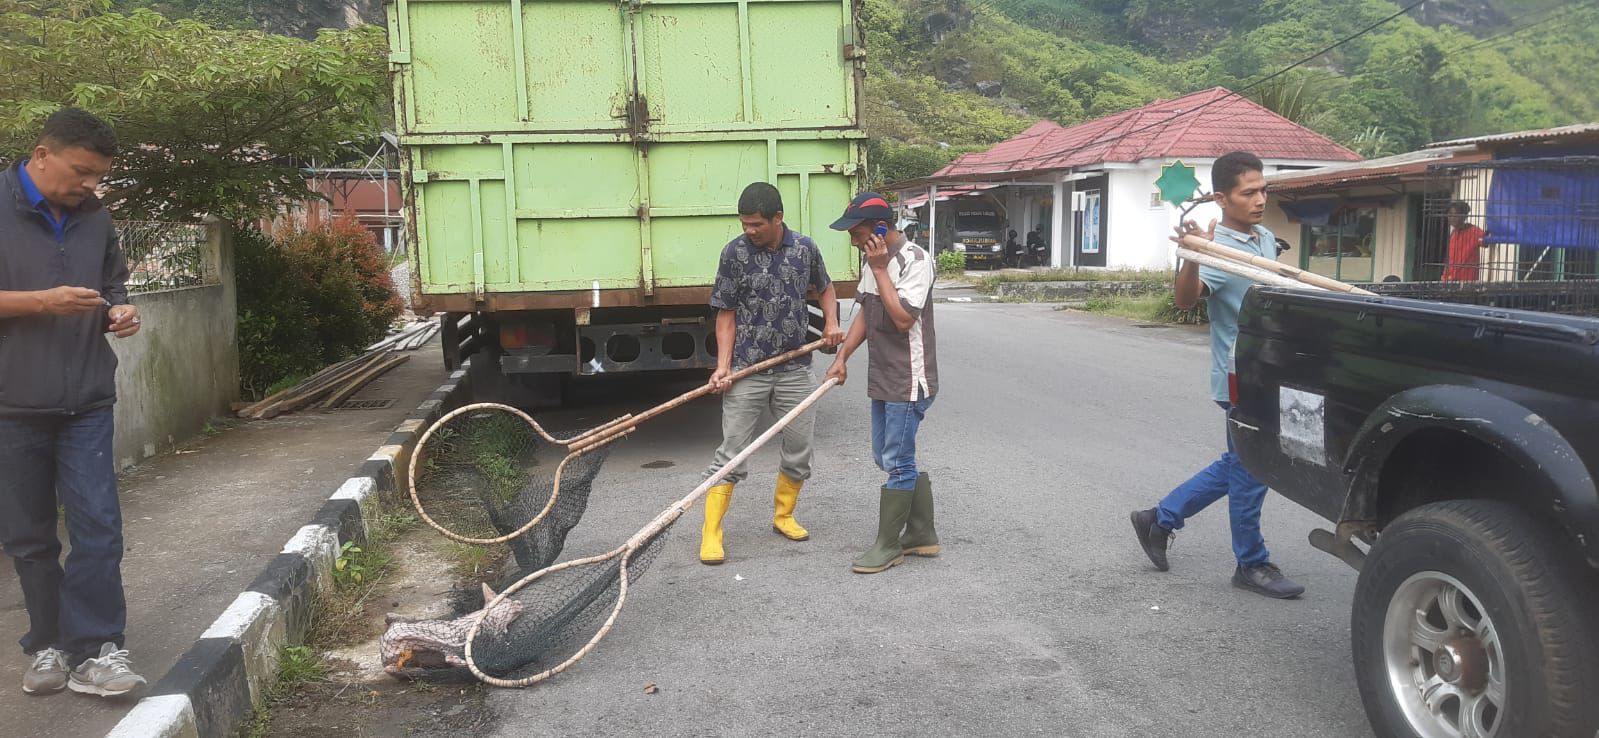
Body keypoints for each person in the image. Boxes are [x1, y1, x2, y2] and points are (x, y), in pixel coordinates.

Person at [0, 107, 148, 696]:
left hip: (86, 398)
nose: (91, 185)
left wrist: (120, 309)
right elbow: (45, 300)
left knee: (99, 528)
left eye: (98, 176)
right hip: (11, 403)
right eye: (82, 172)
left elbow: (112, 281)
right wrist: (41, 303)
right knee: (30, 536)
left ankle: (97, 650)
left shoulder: (95, 218)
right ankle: (49, 645)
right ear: (42, 155)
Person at [1128, 151, 1305, 600]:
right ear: (1223, 199)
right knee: (1251, 468)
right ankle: (1251, 562)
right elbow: (1187, 300)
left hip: (1268, 371)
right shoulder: (1216, 249)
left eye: (1263, 189)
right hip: (1238, 375)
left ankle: (1160, 518)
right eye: (1249, 193)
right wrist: (1190, 255)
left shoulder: (1265, 237)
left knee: (1245, 462)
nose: (1260, 199)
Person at [699, 182, 844, 565]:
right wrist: (724, 366)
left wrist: (831, 323)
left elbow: (825, 289)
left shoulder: (804, 249)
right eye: (744, 223)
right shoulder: (734, 253)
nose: (749, 230)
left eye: (756, 224)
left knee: (799, 449)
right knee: (731, 453)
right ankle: (712, 531)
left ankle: (784, 516)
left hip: (795, 367)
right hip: (749, 369)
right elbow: (725, 313)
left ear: (777, 218)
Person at [824, 193, 940, 575]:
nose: (854, 243)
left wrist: (879, 269)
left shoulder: (915, 261)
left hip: (909, 379)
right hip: (883, 376)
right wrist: (842, 359)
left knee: (896, 461)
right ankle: (921, 532)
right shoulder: (872, 264)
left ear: (878, 228)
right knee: (886, 456)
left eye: (856, 234)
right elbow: (864, 315)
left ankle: (889, 545)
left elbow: (903, 318)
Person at [1441, 200, 1486, 282]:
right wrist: (1445, 277)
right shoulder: (1453, 233)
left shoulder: (1474, 231)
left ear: (1464, 216)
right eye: (1450, 214)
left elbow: (1485, 242)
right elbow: (1448, 259)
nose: (1452, 218)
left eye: (1456, 215)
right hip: (1450, 282)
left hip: (1467, 283)